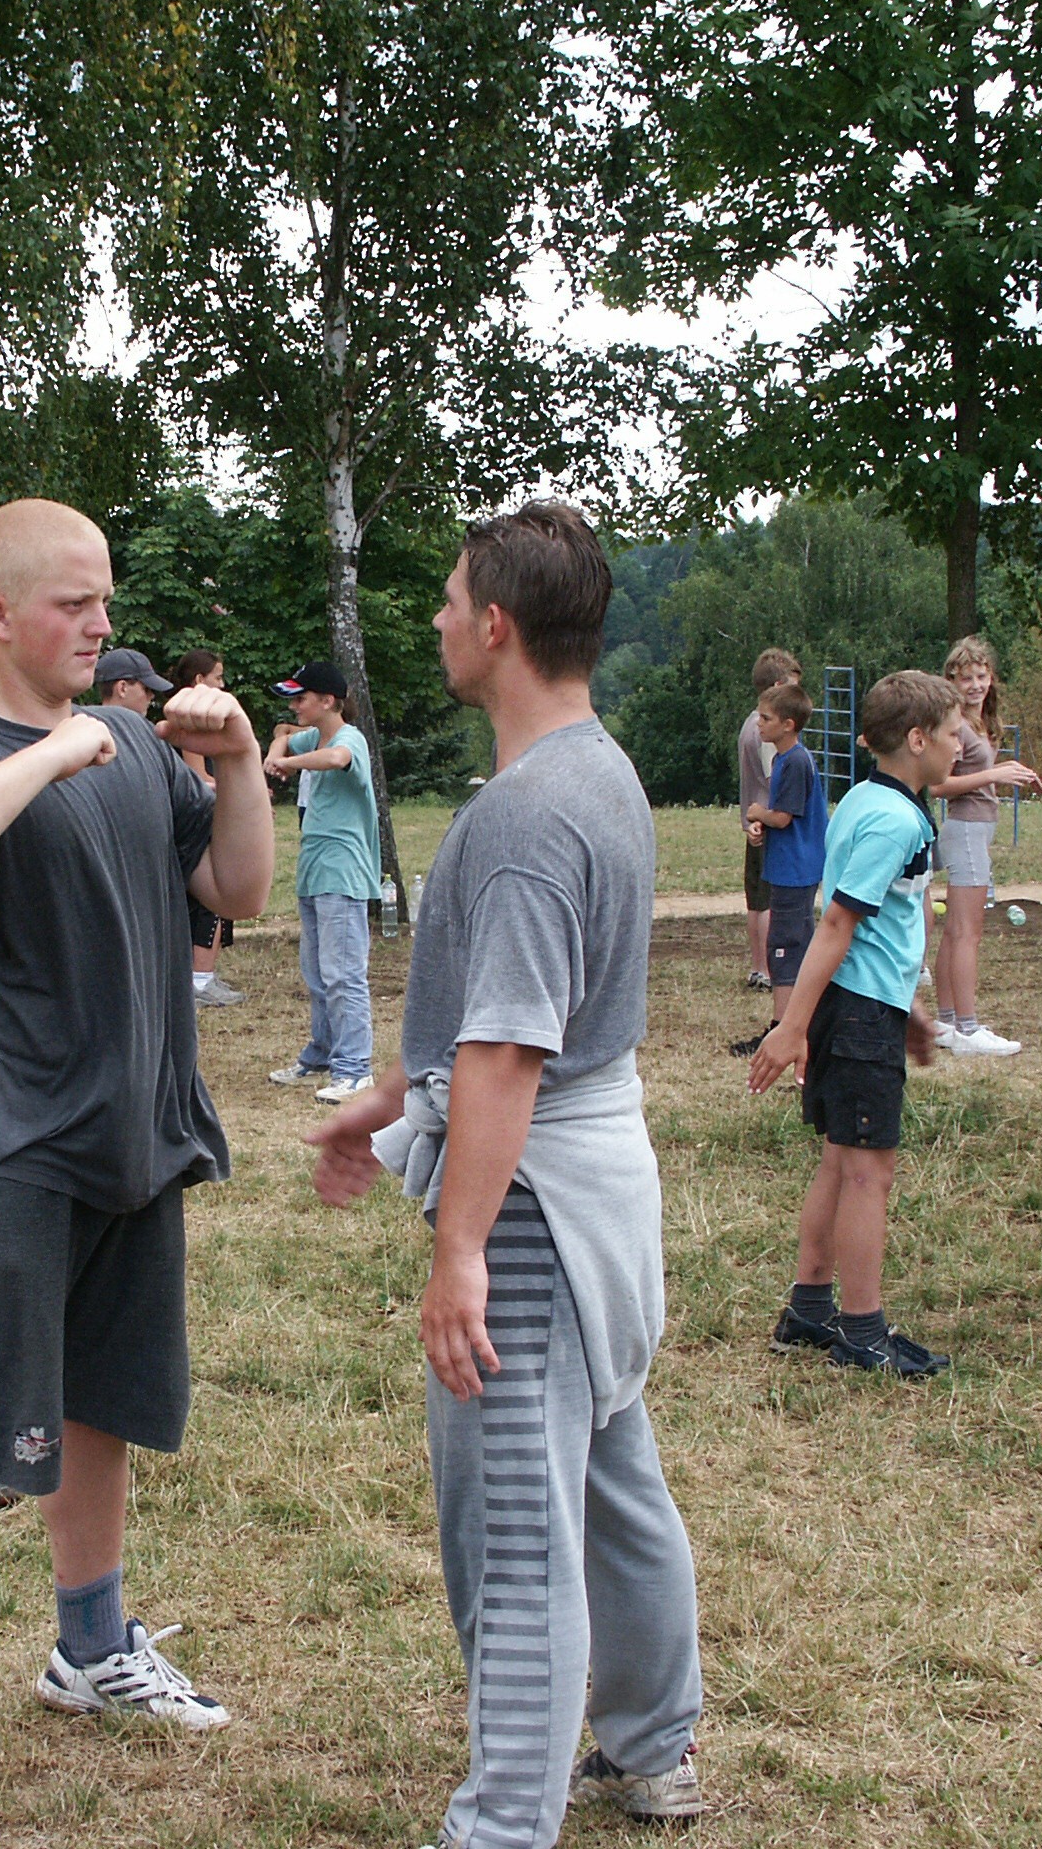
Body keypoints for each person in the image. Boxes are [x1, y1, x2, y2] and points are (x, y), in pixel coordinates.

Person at [0, 499, 272, 1842]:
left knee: (100, 1410)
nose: (102, 623)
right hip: (9, 1151)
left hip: (131, 1138)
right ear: (1, 616)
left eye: (105, 599)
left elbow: (237, 891)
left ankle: (91, 1647)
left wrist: (239, 765)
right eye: (75, 603)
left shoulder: (135, 748)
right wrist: (54, 752)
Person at [307, 502, 704, 1847]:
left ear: (495, 625)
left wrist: (461, 1248)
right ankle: (651, 1747)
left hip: (533, 1214)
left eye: (446, 599)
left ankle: (502, 1823)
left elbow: (510, 1054)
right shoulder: (598, 770)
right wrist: (381, 1106)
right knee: (610, 1481)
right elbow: (508, 1028)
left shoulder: (531, 815)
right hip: (594, 1187)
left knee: (519, 1528)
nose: (432, 620)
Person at [748, 670, 962, 1377]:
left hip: (865, 1005)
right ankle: (862, 1331)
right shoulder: (895, 820)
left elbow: (877, 929)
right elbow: (838, 922)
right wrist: (791, 1026)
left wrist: (911, 1010)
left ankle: (810, 1310)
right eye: (953, 733)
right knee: (871, 1172)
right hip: (857, 1012)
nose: (961, 745)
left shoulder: (868, 800)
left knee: (842, 1160)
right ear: (918, 739)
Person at [264, 659, 380, 1104]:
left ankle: (355, 1069)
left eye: (302, 698)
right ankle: (322, 1055)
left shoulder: (349, 739)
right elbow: (280, 733)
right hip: (314, 870)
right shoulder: (312, 736)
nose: (295, 706)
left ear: (328, 701)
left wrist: (287, 762)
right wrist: (278, 752)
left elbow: (336, 759)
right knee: (317, 974)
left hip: (343, 873)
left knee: (343, 975)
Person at [930, 637, 1042, 1056]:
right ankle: (967, 1028)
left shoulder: (980, 723)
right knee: (967, 933)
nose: (975, 685)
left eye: (981, 676)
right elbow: (938, 785)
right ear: (951, 681)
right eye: (966, 678)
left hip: (976, 830)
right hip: (965, 829)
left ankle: (947, 1022)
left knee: (956, 931)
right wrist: (995, 775)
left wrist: (1003, 771)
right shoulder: (956, 726)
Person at [735, 680, 824, 1057]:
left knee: (786, 946)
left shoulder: (796, 761)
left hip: (795, 869)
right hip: (788, 864)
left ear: (788, 725)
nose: (759, 724)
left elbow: (785, 817)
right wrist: (762, 827)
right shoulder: (784, 760)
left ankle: (783, 1027)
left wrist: (759, 813)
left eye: (766, 718)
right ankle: (795, 1024)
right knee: (788, 943)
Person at [169, 649, 246, 1008]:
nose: (223, 684)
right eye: (218, 676)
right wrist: (240, 789)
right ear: (199, 681)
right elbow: (197, 778)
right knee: (208, 899)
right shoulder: (188, 726)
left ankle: (205, 976)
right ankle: (199, 980)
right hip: (198, 822)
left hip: (210, 816)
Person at [738, 648, 801, 992]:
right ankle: (766, 969)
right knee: (767, 902)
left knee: (757, 900)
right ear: (777, 686)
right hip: (768, 827)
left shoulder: (750, 723)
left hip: (754, 824)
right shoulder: (766, 734)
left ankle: (758, 967)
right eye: (792, 686)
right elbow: (774, 778)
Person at [94, 645, 170, 717]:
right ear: (122, 688)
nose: (152, 696)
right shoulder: (134, 726)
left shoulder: (90, 722)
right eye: (146, 689)